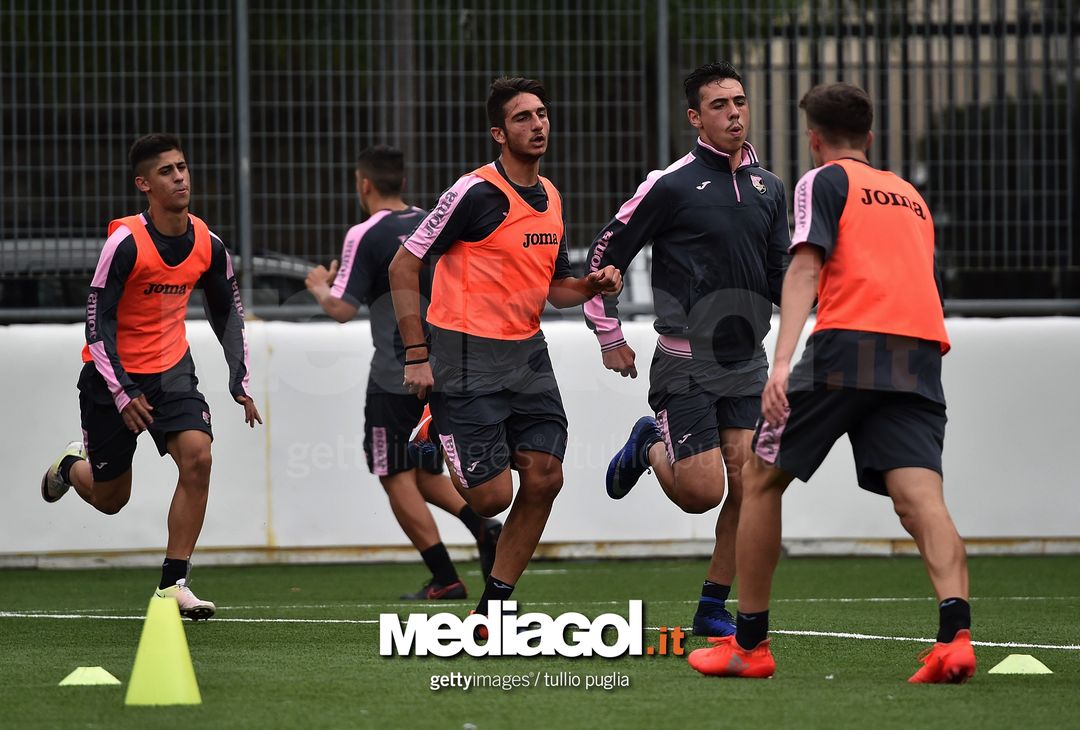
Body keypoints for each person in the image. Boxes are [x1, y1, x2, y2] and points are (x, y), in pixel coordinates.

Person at [687, 82, 975, 683]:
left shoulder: (821, 181)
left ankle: (750, 645)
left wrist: (783, 361)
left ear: (813, 138)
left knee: (760, 480)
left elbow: (805, 266)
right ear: (869, 135)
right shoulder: (911, 196)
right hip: (920, 350)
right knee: (921, 498)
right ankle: (956, 637)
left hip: (849, 344)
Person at [389, 77, 622, 621]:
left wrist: (591, 286)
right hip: (463, 356)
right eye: (523, 117)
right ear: (498, 132)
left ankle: (493, 609)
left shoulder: (554, 198)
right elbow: (405, 263)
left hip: (527, 356)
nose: (537, 124)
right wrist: (417, 354)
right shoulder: (474, 193)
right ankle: (437, 423)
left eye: (542, 114)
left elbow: (555, 290)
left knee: (546, 477)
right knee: (490, 499)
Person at [584, 62, 788, 636]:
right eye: (720, 105)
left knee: (750, 489)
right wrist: (610, 335)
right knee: (702, 494)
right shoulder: (669, 183)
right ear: (696, 117)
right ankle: (650, 442)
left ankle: (710, 608)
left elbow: (780, 273)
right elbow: (606, 255)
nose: (734, 114)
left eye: (740, 102)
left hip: (748, 364)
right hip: (685, 363)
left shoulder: (768, 187)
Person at [40, 133, 262, 620]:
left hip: (173, 373)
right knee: (110, 499)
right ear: (143, 184)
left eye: (182, 167)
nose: (180, 176)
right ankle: (68, 467)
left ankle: (173, 585)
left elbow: (229, 314)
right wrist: (122, 393)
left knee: (198, 457)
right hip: (111, 378)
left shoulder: (208, 243)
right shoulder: (124, 243)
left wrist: (239, 381)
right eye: (166, 171)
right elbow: (96, 325)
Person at [304, 145, 502, 599]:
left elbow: (341, 308)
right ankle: (485, 527)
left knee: (391, 470)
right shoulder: (431, 220)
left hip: (398, 370)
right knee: (422, 468)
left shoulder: (365, 234)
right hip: (449, 363)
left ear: (364, 184)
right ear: (404, 183)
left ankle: (445, 577)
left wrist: (319, 287)